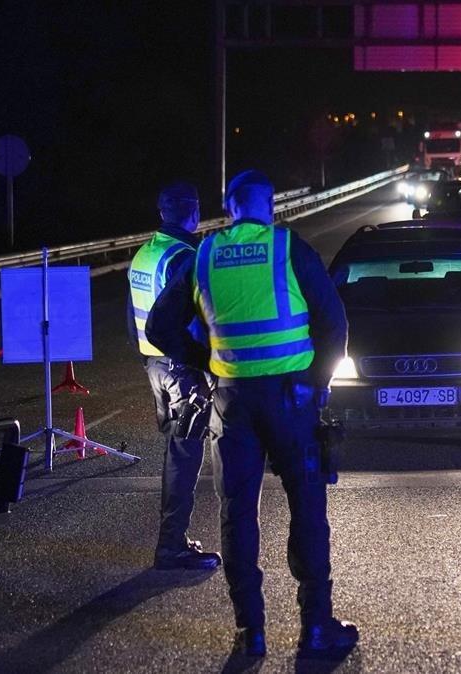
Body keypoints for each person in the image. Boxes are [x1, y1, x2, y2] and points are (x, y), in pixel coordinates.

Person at [147, 170, 355, 658]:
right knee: (306, 508)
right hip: (291, 401)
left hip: (233, 403)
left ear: (229, 207)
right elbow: (335, 321)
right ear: (270, 204)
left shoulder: (206, 254)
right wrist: (316, 383)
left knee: (237, 514)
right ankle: (316, 630)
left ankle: (250, 632)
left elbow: (160, 326)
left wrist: (208, 362)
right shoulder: (288, 248)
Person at [127, 182, 223, 571]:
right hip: (181, 368)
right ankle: (171, 546)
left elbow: (134, 318)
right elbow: (196, 319)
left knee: (177, 451)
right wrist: (206, 362)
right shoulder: (185, 255)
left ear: (161, 211)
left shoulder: (143, 254)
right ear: (193, 211)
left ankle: (174, 540)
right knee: (185, 457)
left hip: (154, 365)